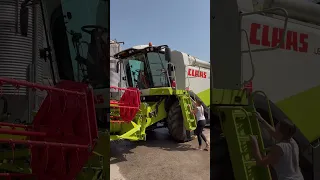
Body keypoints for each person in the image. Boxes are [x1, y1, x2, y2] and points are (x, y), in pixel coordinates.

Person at [250, 112, 304, 180]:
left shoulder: (279, 148)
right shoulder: (293, 142)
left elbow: (261, 163)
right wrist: (261, 120)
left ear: (280, 132)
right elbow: (276, 134)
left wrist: (255, 143)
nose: (275, 128)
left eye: (276, 127)